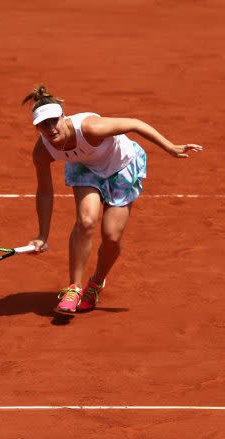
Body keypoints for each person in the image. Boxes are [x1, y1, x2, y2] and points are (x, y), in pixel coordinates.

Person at [23, 85, 202, 315]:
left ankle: (96, 283)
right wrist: (42, 235)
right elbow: (45, 191)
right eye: (43, 125)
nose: (50, 129)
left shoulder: (90, 128)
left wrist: (170, 147)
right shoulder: (43, 150)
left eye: (53, 121)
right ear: (37, 128)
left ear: (63, 117)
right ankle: (74, 289)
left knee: (111, 236)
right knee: (86, 221)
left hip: (122, 166)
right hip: (85, 169)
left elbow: (136, 123)